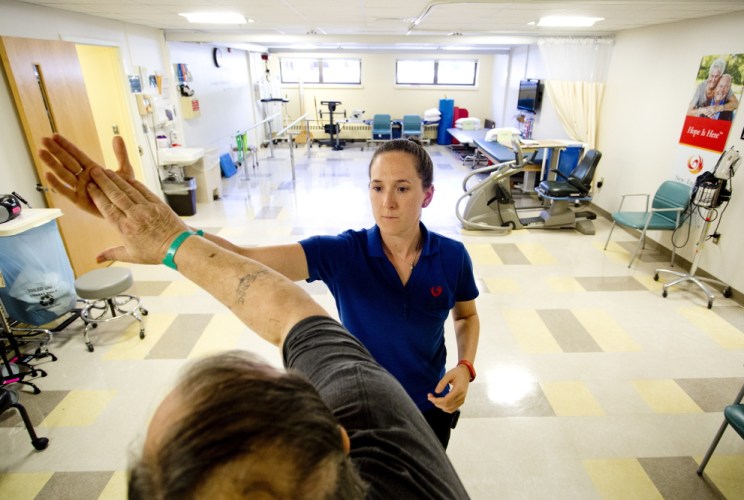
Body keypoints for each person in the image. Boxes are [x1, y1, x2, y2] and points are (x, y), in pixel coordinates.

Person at [39, 135, 470, 499]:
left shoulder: (451, 256)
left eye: (402, 188)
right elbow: (246, 260)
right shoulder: (342, 252)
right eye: (377, 188)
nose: (387, 202)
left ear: (427, 194)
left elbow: (466, 315)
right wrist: (174, 233)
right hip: (351, 405)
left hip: (431, 400)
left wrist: (465, 366)